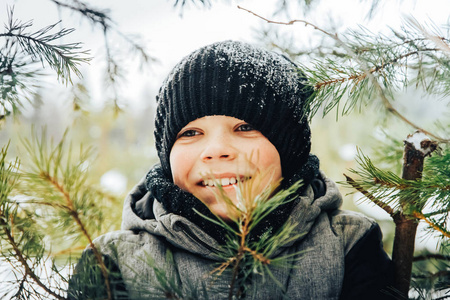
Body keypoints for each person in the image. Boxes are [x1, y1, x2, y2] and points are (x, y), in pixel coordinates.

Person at [69, 40, 394, 299]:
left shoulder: (347, 244)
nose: (216, 150)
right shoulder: (113, 262)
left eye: (244, 127)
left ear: (289, 150)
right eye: (191, 133)